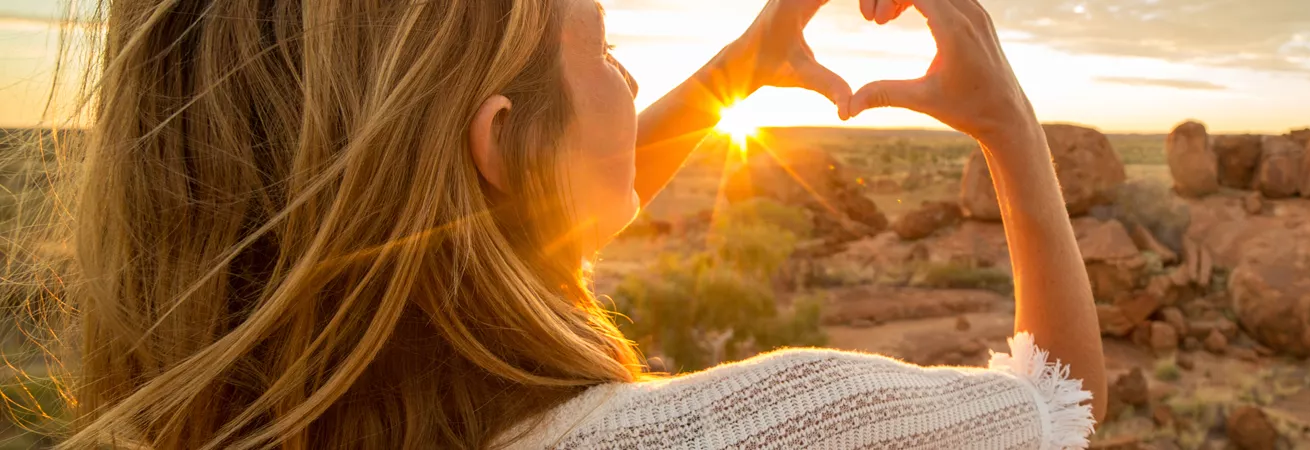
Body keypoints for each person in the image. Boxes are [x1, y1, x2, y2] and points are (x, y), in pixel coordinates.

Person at [55, 0, 1105, 448]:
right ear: (500, 141)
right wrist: (1007, 124)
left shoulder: (252, 418)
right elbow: (1060, 409)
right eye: (602, 49)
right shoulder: (756, 428)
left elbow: (498, 226)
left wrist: (745, 61)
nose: (628, 73)